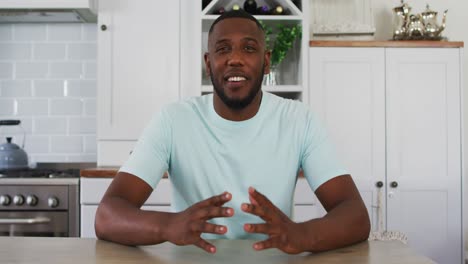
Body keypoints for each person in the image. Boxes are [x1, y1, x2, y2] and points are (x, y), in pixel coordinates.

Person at [95, 10, 370, 254]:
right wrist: (168, 226)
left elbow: (355, 215)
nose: (235, 59)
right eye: (223, 49)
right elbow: (107, 216)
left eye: (248, 49)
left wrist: (302, 235)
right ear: (208, 62)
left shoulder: (299, 120)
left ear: (266, 62)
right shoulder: (173, 120)